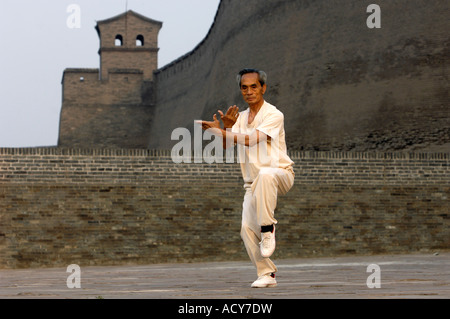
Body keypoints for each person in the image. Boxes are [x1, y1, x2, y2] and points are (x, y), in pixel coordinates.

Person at [198, 68, 295, 288]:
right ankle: (267, 274)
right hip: (252, 184)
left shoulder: (274, 115)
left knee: (266, 174)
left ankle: (268, 229)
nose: (249, 91)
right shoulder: (240, 117)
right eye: (244, 87)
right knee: (245, 229)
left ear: (263, 88)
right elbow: (228, 145)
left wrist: (222, 131)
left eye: (254, 86)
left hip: (280, 175)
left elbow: (252, 140)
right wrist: (226, 128)